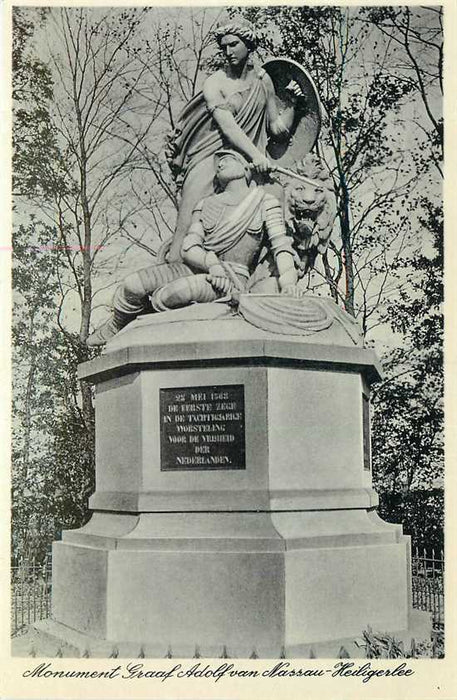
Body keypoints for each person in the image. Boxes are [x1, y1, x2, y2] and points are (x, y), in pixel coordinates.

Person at [87, 150, 302, 347]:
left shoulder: (264, 201)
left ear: (247, 168)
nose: (221, 164)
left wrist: (289, 283)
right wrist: (212, 264)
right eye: (218, 163)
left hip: (231, 279)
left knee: (174, 293)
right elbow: (190, 247)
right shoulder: (206, 203)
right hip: (199, 266)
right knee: (132, 285)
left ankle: (149, 322)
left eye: (229, 159)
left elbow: (281, 245)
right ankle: (117, 325)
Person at [166, 17, 302, 262]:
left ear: (248, 46)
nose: (227, 52)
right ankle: (174, 265)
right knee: (188, 220)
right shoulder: (215, 83)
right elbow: (228, 129)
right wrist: (257, 156)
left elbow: (276, 128)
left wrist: (292, 104)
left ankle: (264, 273)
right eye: (224, 47)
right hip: (213, 158)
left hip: (250, 162)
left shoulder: (263, 80)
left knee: (276, 197)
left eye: (233, 45)